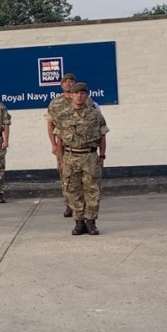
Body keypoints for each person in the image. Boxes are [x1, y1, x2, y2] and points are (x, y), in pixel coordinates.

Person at [54, 82, 109, 236]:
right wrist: (60, 159)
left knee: (92, 190)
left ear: (86, 96)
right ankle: (79, 222)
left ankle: (91, 222)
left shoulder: (95, 115)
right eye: (76, 93)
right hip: (71, 156)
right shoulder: (63, 115)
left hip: (90, 156)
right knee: (73, 190)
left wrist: (102, 155)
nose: (79, 96)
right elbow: (59, 140)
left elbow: (102, 137)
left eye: (83, 93)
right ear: (71, 95)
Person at [46, 73, 77, 218]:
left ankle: (80, 205)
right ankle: (69, 205)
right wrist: (53, 144)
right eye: (66, 81)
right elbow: (50, 124)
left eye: (71, 81)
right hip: (62, 144)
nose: (69, 84)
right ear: (61, 85)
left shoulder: (86, 100)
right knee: (65, 175)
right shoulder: (55, 103)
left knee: (82, 176)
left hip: (80, 144)